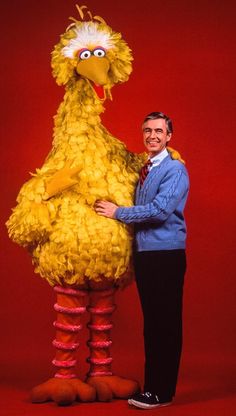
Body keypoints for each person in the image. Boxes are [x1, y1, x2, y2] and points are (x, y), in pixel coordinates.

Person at [94, 111, 189, 410]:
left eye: (159, 131)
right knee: (153, 324)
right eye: (147, 130)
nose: (152, 136)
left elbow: (160, 211)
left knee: (165, 324)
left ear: (169, 136)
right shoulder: (145, 168)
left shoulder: (175, 170)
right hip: (147, 255)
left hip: (166, 255)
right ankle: (154, 388)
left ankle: (161, 391)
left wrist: (117, 212)